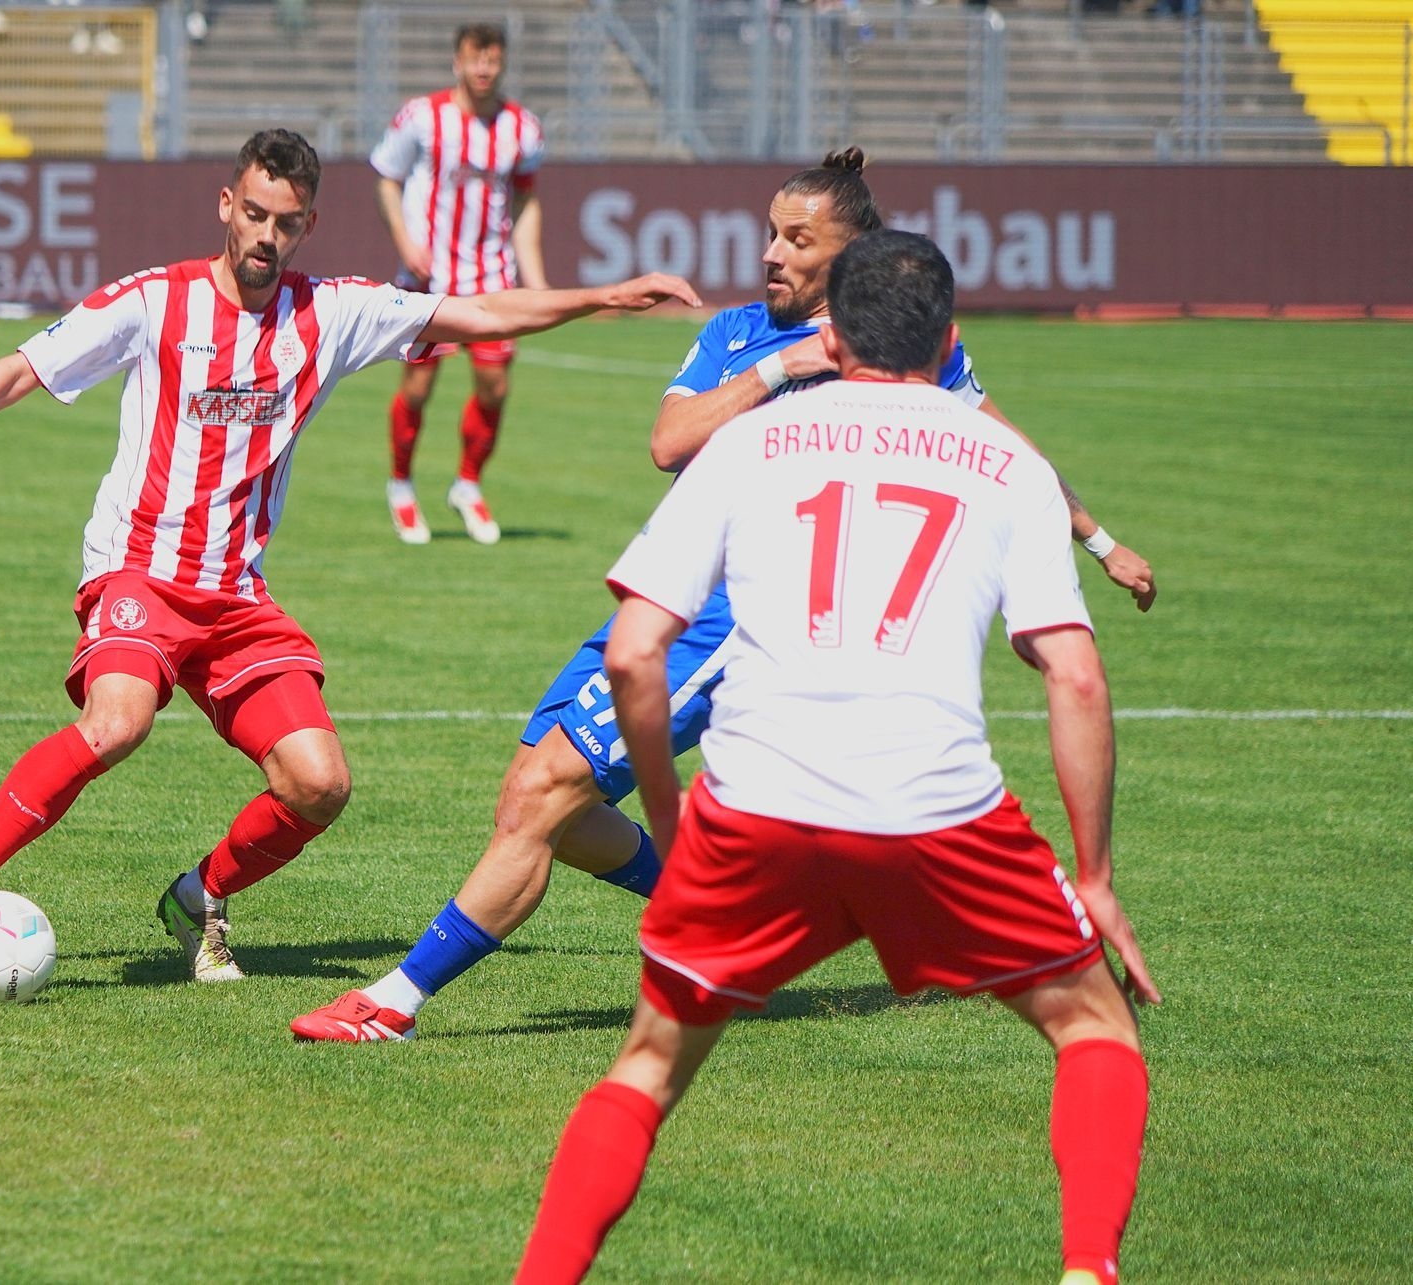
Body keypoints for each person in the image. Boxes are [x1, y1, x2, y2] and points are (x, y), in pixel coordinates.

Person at [291, 148, 1155, 1043]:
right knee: (546, 803)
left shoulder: (888, 351)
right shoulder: (738, 333)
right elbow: (669, 441)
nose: (772, 253)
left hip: (743, 621)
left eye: (798, 241)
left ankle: (393, 1001)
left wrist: (1098, 540)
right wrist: (779, 372)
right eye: (770, 234)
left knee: (543, 792)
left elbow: (1005, 446)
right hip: (669, 599)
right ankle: (729, 908)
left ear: (851, 255)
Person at [0, 130, 699, 984]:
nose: (266, 235)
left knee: (318, 782)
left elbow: (477, 313)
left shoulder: (329, 313)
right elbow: (25, 366)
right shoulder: (155, 301)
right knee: (118, 722)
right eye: (254, 214)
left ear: (308, 227)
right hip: (141, 570)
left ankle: (199, 898)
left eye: (286, 222)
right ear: (227, 205)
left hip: (236, 596)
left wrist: (607, 294)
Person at [515, 230, 1160, 1285]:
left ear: (835, 336)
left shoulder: (749, 443)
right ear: (948, 339)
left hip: (754, 807)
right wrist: (1094, 876)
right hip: (939, 809)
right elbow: (1076, 679)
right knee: (1096, 1028)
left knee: (646, 1067)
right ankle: (1087, 1268)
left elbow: (633, 654)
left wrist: (675, 824)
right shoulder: (1012, 466)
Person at [371, 23, 547, 546]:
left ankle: (467, 484)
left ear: (503, 64)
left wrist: (536, 280)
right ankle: (401, 485)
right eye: (475, 58)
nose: (483, 68)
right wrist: (405, 242)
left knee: (495, 386)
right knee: (418, 387)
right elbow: (386, 179)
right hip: (431, 279)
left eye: (492, 59)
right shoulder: (422, 117)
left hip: (491, 277)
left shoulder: (522, 129)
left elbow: (525, 201)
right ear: (458, 62)